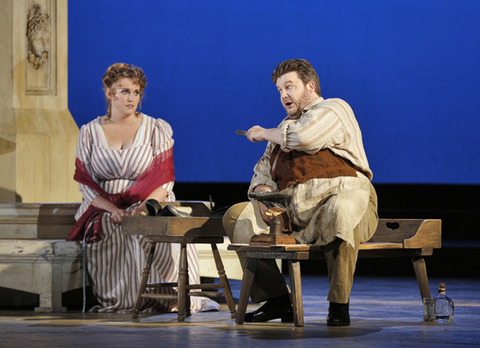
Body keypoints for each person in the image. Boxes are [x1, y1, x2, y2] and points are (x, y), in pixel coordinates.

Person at [223, 59, 378, 326]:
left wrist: (262, 133)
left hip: (346, 196)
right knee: (237, 217)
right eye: (280, 90)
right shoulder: (283, 129)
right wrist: (263, 193)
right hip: (293, 213)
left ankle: (339, 305)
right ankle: (278, 300)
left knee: (341, 210)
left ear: (310, 86)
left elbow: (304, 138)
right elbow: (263, 172)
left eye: (289, 86)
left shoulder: (333, 108)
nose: (283, 95)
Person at [67, 63, 219, 314]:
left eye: (136, 92)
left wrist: (144, 207)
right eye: (124, 91)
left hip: (151, 202)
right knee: (110, 227)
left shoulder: (155, 128)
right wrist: (114, 209)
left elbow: (164, 179)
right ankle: (128, 299)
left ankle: (174, 296)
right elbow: (86, 182)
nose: (131, 98)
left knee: (156, 226)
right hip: (105, 209)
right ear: (109, 93)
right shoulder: (90, 132)